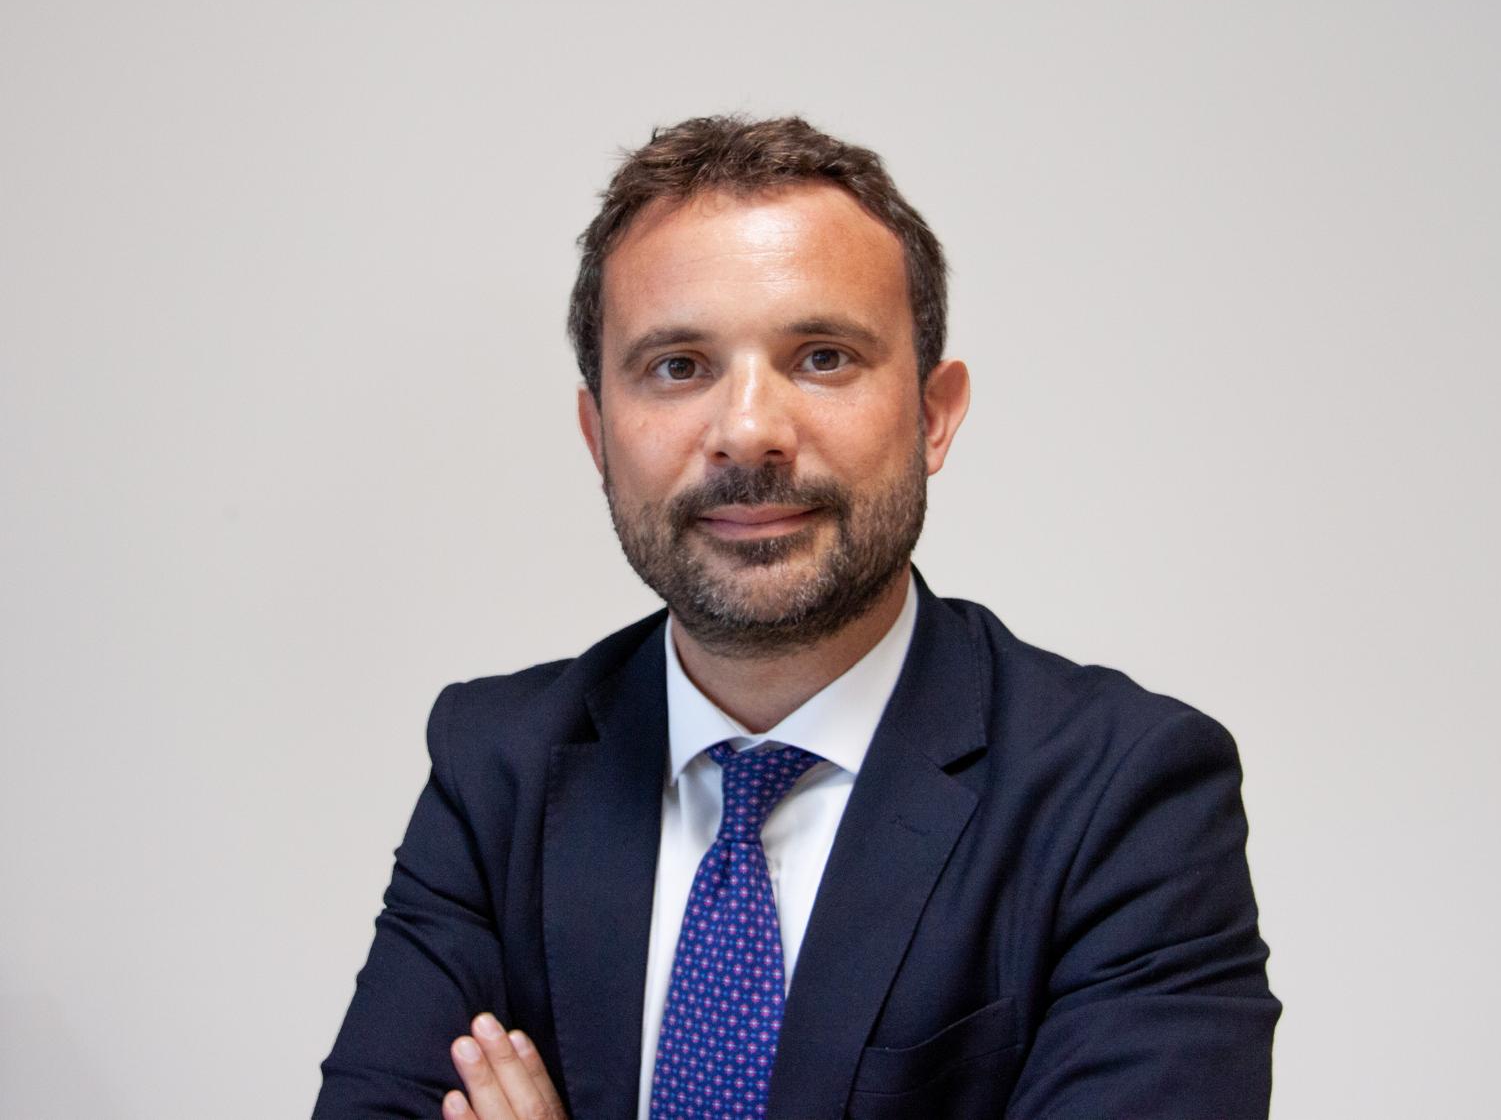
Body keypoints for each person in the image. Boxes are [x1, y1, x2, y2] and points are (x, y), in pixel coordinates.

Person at [312, 115, 1281, 1120]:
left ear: (933, 414)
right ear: (598, 434)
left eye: (821, 356)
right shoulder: (497, 769)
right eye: (678, 366)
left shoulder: (1123, 798)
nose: (748, 432)